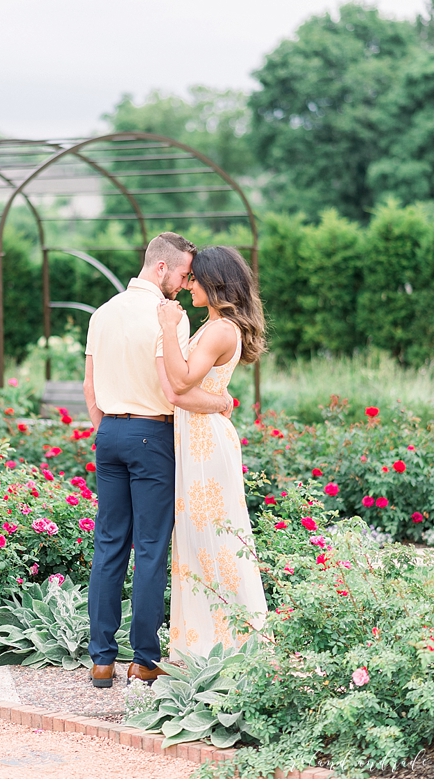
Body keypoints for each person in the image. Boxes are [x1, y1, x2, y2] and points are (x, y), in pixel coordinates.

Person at [83, 232, 233, 687]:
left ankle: (101, 660)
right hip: (153, 433)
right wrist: (221, 402)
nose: (186, 283)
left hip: (108, 432)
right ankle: (145, 658)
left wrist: (109, 430)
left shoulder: (103, 313)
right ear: (162, 268)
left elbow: (89, 388)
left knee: (109, 545)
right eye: (185, 274)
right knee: (149, 549)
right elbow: (178, 389)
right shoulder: (169, 318)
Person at [156, 245, 268, 658]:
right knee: (197, 541)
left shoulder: (221, 330)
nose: (187, 286)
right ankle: (201, 644)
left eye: (194, 278)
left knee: (213, 541)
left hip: (207, 446)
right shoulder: (215, 325)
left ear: (215, 281)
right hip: (198, 439)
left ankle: (231, 644)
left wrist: (168, 327)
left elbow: (182, 383)